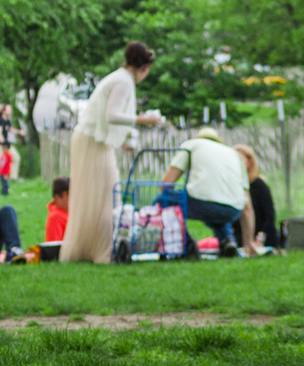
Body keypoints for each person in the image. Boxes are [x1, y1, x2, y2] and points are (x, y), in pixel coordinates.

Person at [64, 42, 167, 263]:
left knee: (98, 196)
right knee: (107, 194)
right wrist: (144, 119)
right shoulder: (123, 81)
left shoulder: (119, 78)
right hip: (91, 142)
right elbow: (112, 115)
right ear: (145, 67)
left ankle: (92, 248)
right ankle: (103, 250)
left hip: (92, 140)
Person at [161, 126, 248, 256]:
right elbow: (248, 205)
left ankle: (186, 243)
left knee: (162, 200)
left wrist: (172, 197)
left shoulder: (192, 145)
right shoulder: (232, 153)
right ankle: (228, 241)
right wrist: (249, 243)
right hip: (234, 209)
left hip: (203, 203)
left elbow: (166, 184)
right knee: (218, 211)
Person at [236, 145, 281, 255]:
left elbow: (269, 216)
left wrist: (260, 237)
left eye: (240, 160)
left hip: (262, 238)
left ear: (249, 162)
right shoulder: (234, 186)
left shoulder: (259, 185)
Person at [0, 104, 22, 197]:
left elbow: (10, 129)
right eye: (9, 109)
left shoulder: (7, 121)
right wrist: (4, 144)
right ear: (3, 111)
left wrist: (19, 132)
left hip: (6, 145)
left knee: (16, 157)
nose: (10, 110)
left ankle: (12, 178)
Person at [45, 176, 70, 243]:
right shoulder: (56, 217)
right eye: (68, 197)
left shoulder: (68, 213)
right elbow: (54, 247)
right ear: (57, 197)